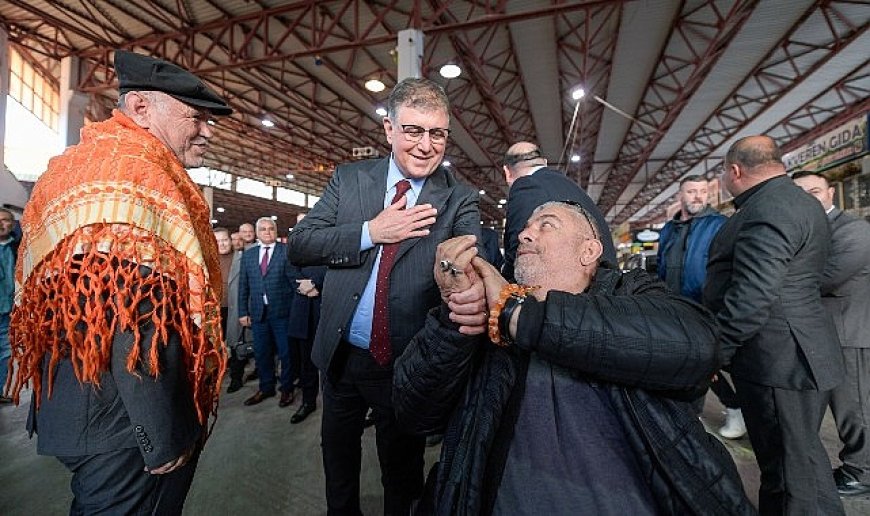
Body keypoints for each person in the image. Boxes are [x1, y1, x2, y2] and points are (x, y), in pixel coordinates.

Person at [394, 202, 753, 515]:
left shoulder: (631, 294)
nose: (524, 235)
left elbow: (699, 346)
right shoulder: (490, 313)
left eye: (546, 224)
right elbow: (413, 411)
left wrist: (519, 316)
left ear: (589, 251)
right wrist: (454, 315)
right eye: (525, 228)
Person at [7, 50, 230, 514]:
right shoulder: (134, 178)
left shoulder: (77, 168)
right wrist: (162, 436)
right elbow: (135, 319)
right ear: (141, 108)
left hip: (75, 403)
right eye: (196, 117)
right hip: (124, 424)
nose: (207, 132)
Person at [287, 77, 480, 515]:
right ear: (389, 129)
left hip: (405, 362)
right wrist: (370, 232)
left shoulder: (458, 198)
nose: (426, 145)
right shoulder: (350, 179)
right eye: (413, 130)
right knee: (338, 460)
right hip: (340, 356)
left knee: (402, 470)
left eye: (437, 133)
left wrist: (462, 276)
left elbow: (469, 255)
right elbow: (301, 244)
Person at [704, 136, 845, 514]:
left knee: (785, 474)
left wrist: (717, 352)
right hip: (797, 351)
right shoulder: (800, 201)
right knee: (805, 461)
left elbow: (752, 294)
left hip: (776, 359)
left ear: (735, 171)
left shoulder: (766, 208)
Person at [793, 171, 870, 496]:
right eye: (801, 193)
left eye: (815, 191)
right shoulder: (805, 229)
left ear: (830, 194)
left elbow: (825, 278)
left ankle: (862, 473)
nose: (810, 197)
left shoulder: (854, 230)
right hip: (817, 335)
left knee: (855, 409)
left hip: (848, 334)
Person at [656, 175, 744, 437]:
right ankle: (691, 414)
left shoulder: (719, 225)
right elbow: (661, 265)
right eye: (692, 191)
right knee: (685, 361)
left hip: (707, 306)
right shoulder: (669, 229)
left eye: (703, 192)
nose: (698, 196)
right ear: (680, 196)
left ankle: (733, 407)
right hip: (675, 306)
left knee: (709, 362)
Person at [501, 141, 614, 281]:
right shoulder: (569, 186)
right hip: (601, 287)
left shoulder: (527, 184)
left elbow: (519, 252)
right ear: (544, 162)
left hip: (569, 294)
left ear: (507, 172)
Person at [238, 217, 296, 407]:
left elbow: (294, 283)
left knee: (286, 353)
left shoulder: (285, 252)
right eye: (263, 229)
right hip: (258, 314)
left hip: (282, 313)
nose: (267, 232)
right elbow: (243, 286)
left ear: (276, 231)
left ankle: (286, 389)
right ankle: (266, 387)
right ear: (257, 233)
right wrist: (242, 312)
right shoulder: (249, 255)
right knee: (262, 353)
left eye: (271, 229)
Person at [287, 215, 326, 423]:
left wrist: (316, 283)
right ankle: (308, 402)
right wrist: (303, 286)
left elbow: (336, 265)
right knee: (306, 362)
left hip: (326, 310)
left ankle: (333, 405)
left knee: (332, 362)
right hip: (303, 309)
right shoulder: (295, 246)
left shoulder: (329, 239)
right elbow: (289, 269)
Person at [0, 208, 18, 402]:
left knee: (5, 351)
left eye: (5, 220)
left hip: (9, 310)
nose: (1, 224)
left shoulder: (19, 246)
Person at [214, 228, 234, 338]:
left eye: (225, 240)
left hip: (235, 307)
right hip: (215, 307)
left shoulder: (240, 257)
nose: (221, 244)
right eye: (217, 241)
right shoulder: (208, 259)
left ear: (230, 240)